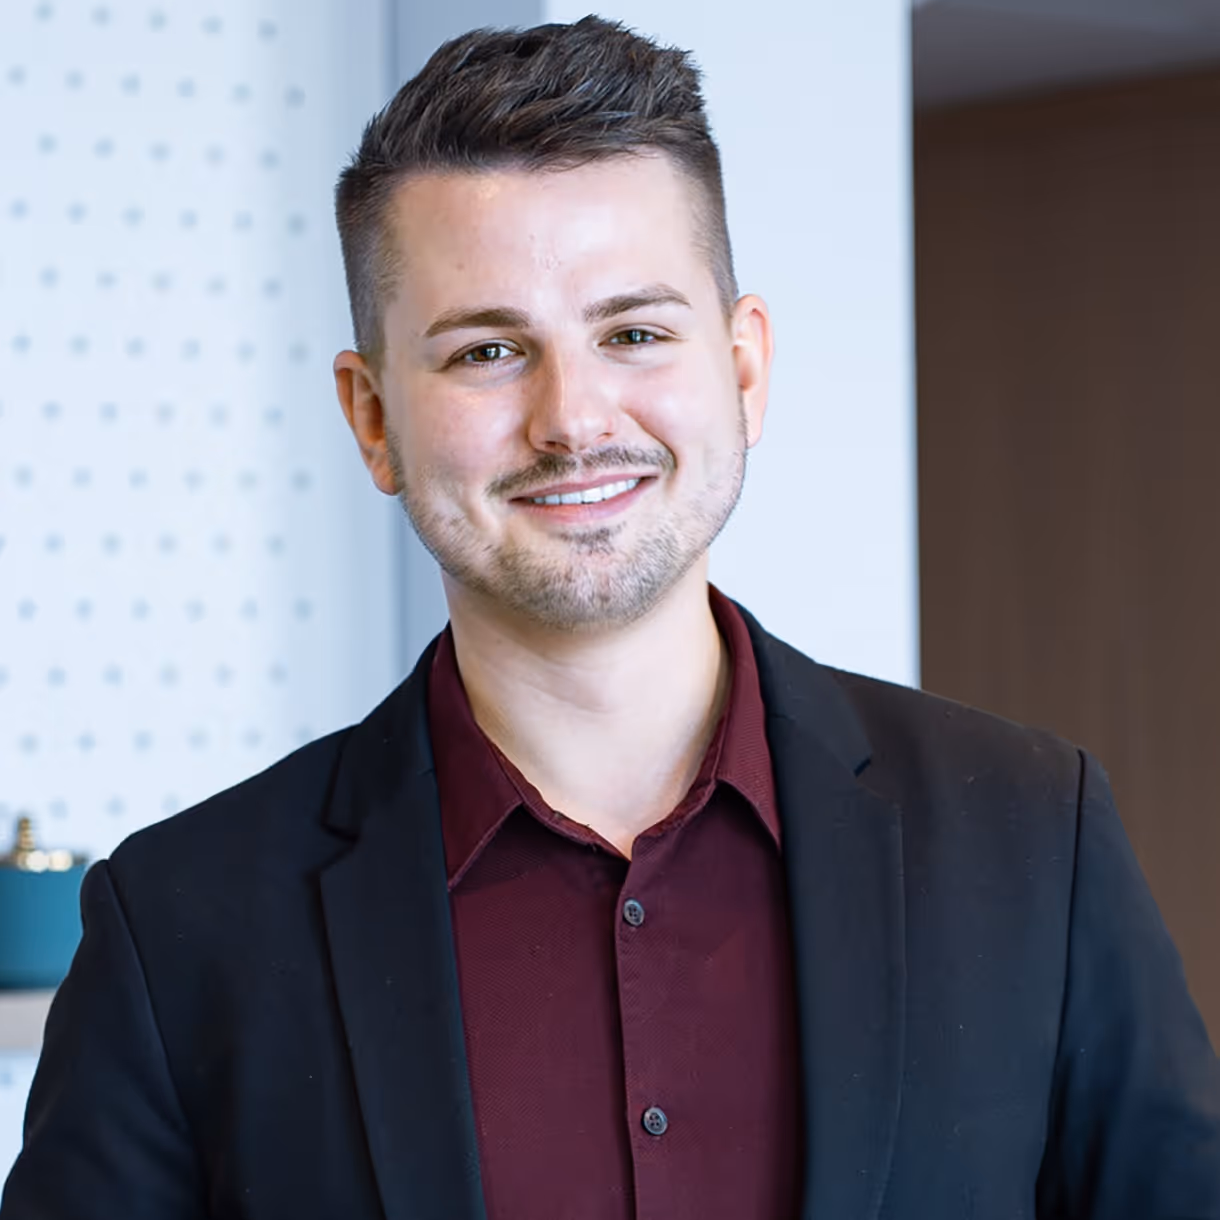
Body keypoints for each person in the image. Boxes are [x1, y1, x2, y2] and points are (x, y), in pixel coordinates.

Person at [3, 15, 1218, 1219]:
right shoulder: (178, 926)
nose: (573, 419)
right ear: (372, 417)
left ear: (742, 369)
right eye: (486, 351)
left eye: (633, 332)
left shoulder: (1031, 836)